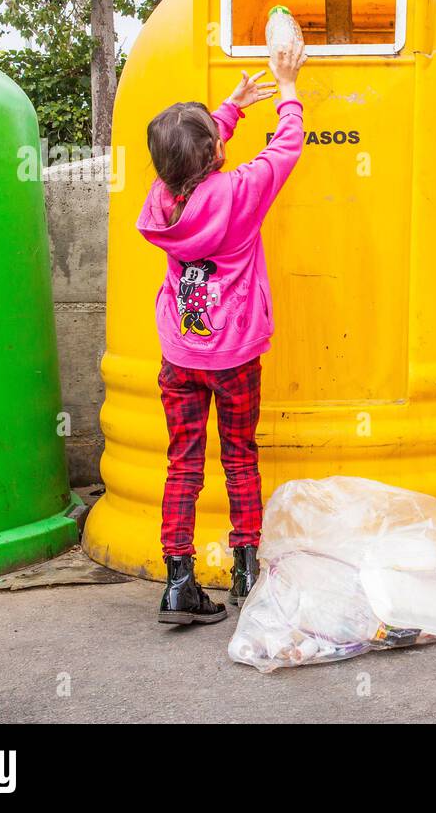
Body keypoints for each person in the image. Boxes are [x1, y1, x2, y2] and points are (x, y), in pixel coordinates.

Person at [137, 40, 306, 624]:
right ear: (214, 153)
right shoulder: (239, 195)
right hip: (234, 356)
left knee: (183, 461)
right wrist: (286, 88)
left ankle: (179, 582)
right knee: (239, 456)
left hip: (180, 354)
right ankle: (247, 568)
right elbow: (285, 150)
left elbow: (189, 161)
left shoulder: (162, 203)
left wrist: (227, 110)